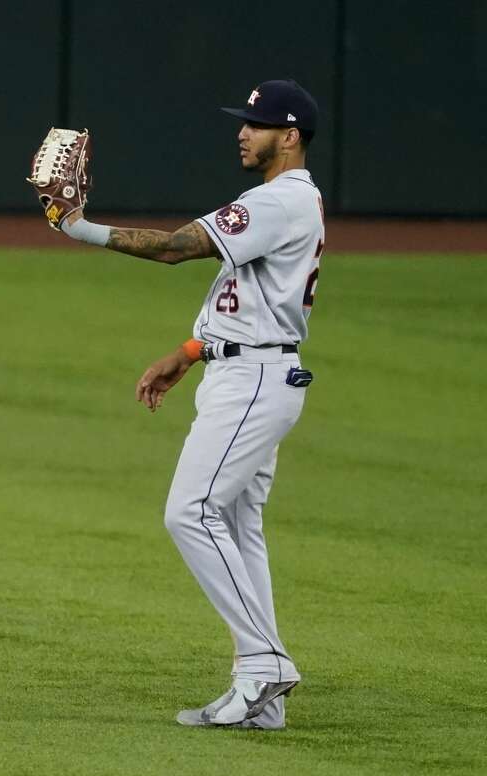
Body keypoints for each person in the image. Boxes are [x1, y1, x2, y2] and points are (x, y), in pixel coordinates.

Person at [56, 80, 324, 729]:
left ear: (289, 137)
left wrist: (77, 226)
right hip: (250, 371)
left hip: (255, 382)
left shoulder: (282, 202)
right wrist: (189, 350)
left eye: (256, 124)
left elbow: (176, 248)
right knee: (235, 525)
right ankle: (258, 690)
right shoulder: (283, 201)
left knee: (190, 514)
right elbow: (245, 298)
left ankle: (264, 663)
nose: (242, 131)